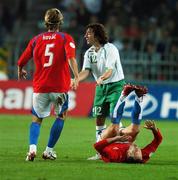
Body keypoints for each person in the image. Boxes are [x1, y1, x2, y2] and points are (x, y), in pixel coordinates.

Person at [17, 8, 79, 161]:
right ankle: (49, 150)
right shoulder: (66, 38)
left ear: (46, 23)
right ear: (60, 22)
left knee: (36, 119)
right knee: (61, 115)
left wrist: (20, 70)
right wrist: (76, 77)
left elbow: (21, 61)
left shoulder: (36, 39)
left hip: (41, 87)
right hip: (59, 87)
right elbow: (71, 58)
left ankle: (32, 149)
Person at [76, 23, 125, 160]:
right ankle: (100, 151)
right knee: (99, 119)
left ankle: (124, 144)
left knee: (115, 118)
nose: (86, 35)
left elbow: (110, 70)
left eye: (89, 33)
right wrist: (75, 80)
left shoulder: (111, 49)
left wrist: (102, 78)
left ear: (97, 35)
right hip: (101, 87)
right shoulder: (89, 53)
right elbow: (85, 71)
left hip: (116, 86)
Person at [93, 85, 163, 163]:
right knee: (135, 130)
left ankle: (124, 94)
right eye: (139, 151)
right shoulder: (141, 157)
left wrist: (116, 138)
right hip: (125, 139)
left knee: (114, 129)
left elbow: (97, 146)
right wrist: (154, 130)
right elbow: (158, 140)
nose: (137, 148)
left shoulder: (115, 156)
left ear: (129, 153)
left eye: (135, 151)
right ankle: (139, 97)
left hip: (107, 140)